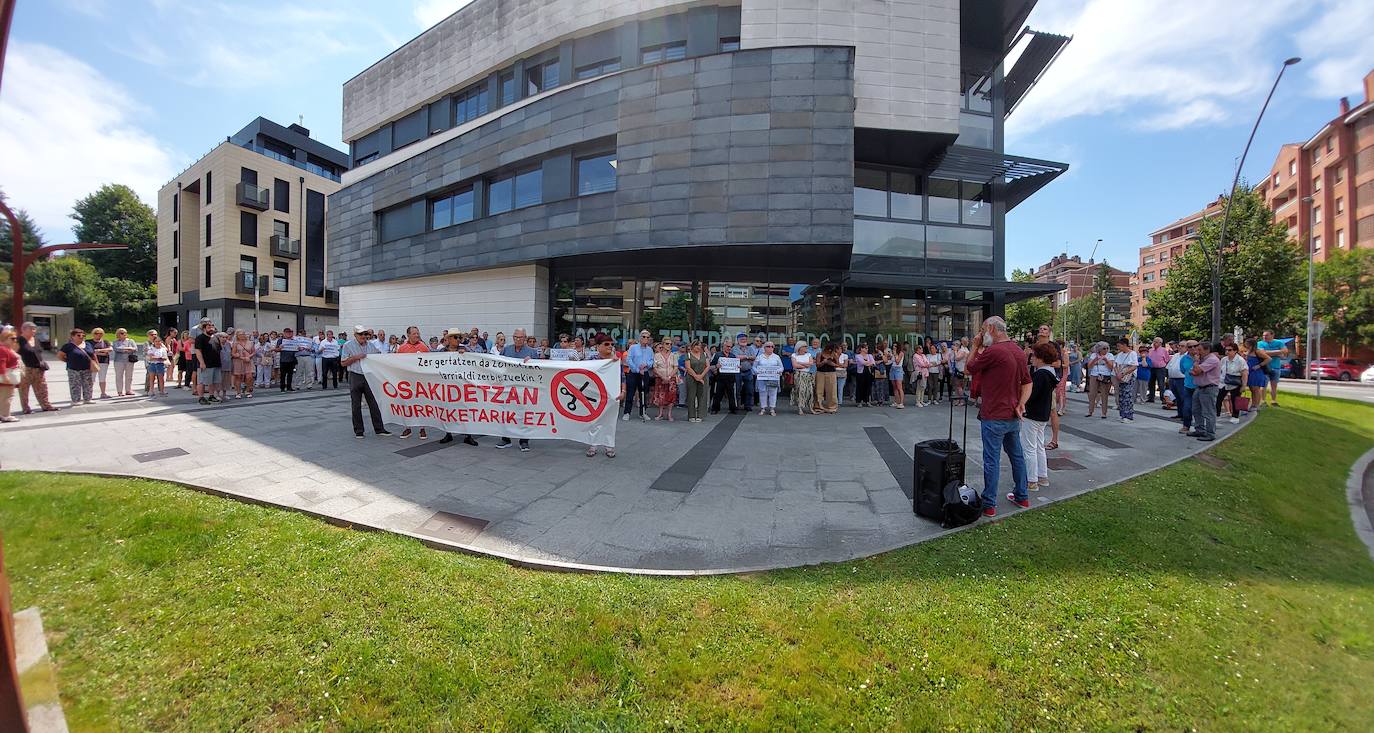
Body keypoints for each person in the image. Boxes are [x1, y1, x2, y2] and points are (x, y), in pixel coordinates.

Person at [965, 316, 1031, 517]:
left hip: (994, 414)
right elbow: (1027, 382)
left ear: (992, 329)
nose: (981, 333)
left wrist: (975, 346)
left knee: (991, 459)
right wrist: (1021, 404)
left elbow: (969, 368)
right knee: (1017, 456)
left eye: (983, 329)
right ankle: (1022, 495)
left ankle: (989, 503)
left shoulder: (993, 351)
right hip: (1012, 414)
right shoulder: (1018, 351)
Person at [341, 326, 391, 439]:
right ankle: (359, 431)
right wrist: (356, 357)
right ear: (355, 335)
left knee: (374, 403)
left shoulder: (371, 345)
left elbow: (379, 358)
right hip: (355, 375)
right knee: (356, 405)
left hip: (369, 376)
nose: (363, 336)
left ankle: (379, 429)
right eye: (361, 334)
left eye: (365, 334)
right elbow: (343, 363)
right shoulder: (348, 345)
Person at [1022, 342, 1059, 493]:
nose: (1032, 358)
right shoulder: (1049, 373)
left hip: (1032, 414)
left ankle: (1032, 480)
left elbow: (1030, 395)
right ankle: (1042, 476)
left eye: (1034, 356)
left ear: (1041, 358)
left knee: (1029, 448)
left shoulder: (1040, 375)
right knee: (1039, 447)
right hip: (1042, 415)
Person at [585, 334, 627, 458]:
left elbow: (622, 378)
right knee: (594, 420)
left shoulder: (615, 361)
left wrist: (623, 391)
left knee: (610, 420)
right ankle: (593, 444)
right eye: (606, 344)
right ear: (598, 346)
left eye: (612, 344)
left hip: (612, 395)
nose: (610, 346)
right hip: (595, 395)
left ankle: (609, 446)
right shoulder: (592, 361)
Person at [498, 328, 538, 451]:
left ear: (525, 338)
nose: (518, 339)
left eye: (520, 337)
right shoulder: (506, 349)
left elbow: (539, 369)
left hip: (524, 389)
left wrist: (530, 363)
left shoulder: (532, 352)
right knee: (506, 413)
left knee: (523, 414)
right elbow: (498, 365)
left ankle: (524, 440)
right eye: (515, 337)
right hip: (508, 388)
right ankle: (506, 439)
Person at [395, 326, 432, 440]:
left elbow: (429, 363)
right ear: (408, 335)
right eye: (414, 333)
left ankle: (422, 429)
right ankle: (408, 428)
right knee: (406, 405)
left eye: (418, 333)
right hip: (406, 382)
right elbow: (396, 363)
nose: (417, 335)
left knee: (421, 404)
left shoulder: (424, 347)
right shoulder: (402, 348)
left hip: (420, 382)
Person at [16, 322, 57, 414]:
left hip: (39, 368)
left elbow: (39, 352)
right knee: (24, 389)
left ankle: (46, 405)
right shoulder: (19, 340)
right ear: (23, 330)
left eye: (34, 329)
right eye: (31, 329)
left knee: (42, 387)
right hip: (25, 369)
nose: (34, 331)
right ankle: (26, 408)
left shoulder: (35, 339)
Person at [1189, 341, 1221, 441]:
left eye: (1200, 350)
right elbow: (1192, 372)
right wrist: (1196, 368)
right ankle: (1199, 429)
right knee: (1196, 410)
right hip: (1199, 387)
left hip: (1209, 388)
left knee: (1208, 412)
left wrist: (1195, 362)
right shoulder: (1202, 359)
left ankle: (1210, 433)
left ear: (1207, 350)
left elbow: (1197, 371)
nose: (1197, 352)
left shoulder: (1212, 360)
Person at [623, 330, 654, 422]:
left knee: (644, 393)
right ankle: (627, 413)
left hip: (644, 373)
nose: (646, 339)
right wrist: (637, 369)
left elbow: (652, 361)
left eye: (647, 337)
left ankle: (643, 412)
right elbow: (629, 360)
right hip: (634, 373)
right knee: (630, 393)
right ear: (640, 338)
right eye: (644, 337)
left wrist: (646, 365)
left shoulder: (650, 349)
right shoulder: (633, 347)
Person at [59, 328, 96, 405]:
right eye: (78, 335)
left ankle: (88, 398)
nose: (81, 337)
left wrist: (96, 363)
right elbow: (60, 356)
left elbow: (93, 354)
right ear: (73, 336)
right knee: (75, 384)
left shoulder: (88, 344)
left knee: (88, 384)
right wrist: (68, 361)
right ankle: (75, 400)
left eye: (83, 335)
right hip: (73, 368)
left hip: (87, 368)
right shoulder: (68, 346)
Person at [194, 322, 223, 405]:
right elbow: (198, 351)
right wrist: (202, 362)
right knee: (202, 381)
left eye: (212, 327)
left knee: (213, 381)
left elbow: (219, 350)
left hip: (216, 363)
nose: (211, 328)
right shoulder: (200, 338)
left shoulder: (216, 338)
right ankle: (201, 397)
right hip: (205, 364)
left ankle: (211, 396)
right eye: (209, 327)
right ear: (204, 329)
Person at [1256, 330, 1286, 407]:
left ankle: (1273, 401)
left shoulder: (1279, 342)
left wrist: (1268, 353)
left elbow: (1285, 351)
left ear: (1272, 335)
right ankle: (1263, 401)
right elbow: (1262, 353)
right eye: (1263, 335)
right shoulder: (1260, 343)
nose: (1264, 337)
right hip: (1265, 367)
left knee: (1274, 386)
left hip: (1276, 367)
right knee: (1263, 385)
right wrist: (1278, 352)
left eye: (1266, 335)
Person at [1219, 342, 1248, 424]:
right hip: (1224, 382)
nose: (1227, 352)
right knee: (1219, 398)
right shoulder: (1224, 359)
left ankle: (1235, 416)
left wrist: (1244, 385)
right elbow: (1221, 370)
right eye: (1226, 350)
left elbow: (1244, 373)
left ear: (1235, 351)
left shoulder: (1240, 360)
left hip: (1235, 382)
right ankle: (1217, 414)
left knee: (1235, 399)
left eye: (1230, 350)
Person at [651, 339, 679, 421]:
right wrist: (662, 377)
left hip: (671, 378)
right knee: (661, 395)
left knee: (671, 396)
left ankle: (669, 414)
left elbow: (676, 367)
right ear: (662, 344)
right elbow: (655, 368)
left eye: (671, 344)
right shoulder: (657, 355)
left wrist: (669, 377)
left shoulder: (673, 355)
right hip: (660, 378)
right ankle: (660, 413)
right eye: (667, 343)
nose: (669, 345)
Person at [709, 339, 739, 415]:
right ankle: (715, 408)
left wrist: (738, 367)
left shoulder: (733, 356)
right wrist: (716, 366)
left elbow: (735, 366)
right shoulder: (717, 355)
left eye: (730, 347)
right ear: (723, 346)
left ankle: (733, 409)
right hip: (720, 378)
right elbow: (710, 366)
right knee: (717, 394)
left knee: (731, 394)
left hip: (730, 378)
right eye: (728, 346)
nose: (729, 348)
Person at [1084, 342, 1113, 419]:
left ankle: (1104, 413)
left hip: (1105, 376)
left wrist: (1106, 360)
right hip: (1094, 375)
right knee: (1092, 393)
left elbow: (1111, 367)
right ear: (1099, 349)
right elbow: (1089, 366)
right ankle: (1090, 411)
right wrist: (1095, 360)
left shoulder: (1110, 355)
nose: (1106, 350)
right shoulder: (1093, 355)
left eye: (1107, 348)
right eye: (1104, 348)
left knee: (1104, 394)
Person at [754, 340, 782, 416]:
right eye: (768, 346)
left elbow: (781, 367)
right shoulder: (759, 357)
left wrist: (778, 371)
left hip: (773, 378)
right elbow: (754, 367)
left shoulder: (777, 357)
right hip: (762, 379)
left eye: (772, 346)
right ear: (764, 347)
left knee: (773, 393)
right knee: (763, 393)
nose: (770, 348)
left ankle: (772, 409)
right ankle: (763, 408)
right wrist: (757, 372)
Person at [683, 340, 709, 423]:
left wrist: (701, 376)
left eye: (699, 345)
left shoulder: (704, 354)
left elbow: (707, 366)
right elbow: (688, 367)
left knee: (702, 396)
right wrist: (696, 376)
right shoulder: (688, 355)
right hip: (691, 377)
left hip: (703, 377)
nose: (698, 347)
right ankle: (691, 415)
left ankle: (700, 415)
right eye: (696, 345)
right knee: (691, 396)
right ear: (692, 346)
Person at [1244, 337, 1270, 417]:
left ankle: (1256, 405)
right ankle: (1253, 404)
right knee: (1252, 389)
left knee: (1256, 389)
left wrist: (1259, 365)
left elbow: (1268, 358)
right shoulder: (1247, 352)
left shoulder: (1257, 351)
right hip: (1250, 372)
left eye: (1247, 343)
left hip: (1256, 372)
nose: (1245, 344)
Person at [1112, 338, 1137, 423]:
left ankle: (1129, 416)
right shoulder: (1120, 354)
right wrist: (1117, 373)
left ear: (1125, 345)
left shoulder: (1132, 354)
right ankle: (1122, 414)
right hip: (1120, 376)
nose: (1118, 348)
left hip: (1128, 377)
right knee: (1121, 396)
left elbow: (1134, 366)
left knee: (1127, 396)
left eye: (1120, 346)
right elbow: (1115, 365)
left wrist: (1123, 373)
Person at [792, 340, 819, 415]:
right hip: (798, 375)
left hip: (807, 375)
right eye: (805, 346)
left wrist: (800, 363)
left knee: (810, 391)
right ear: (800, 347)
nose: (806, 348)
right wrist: (805, 365)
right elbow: (795, 365)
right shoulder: (794, 355)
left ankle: (811, 407)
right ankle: (800, 408)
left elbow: (811, 364)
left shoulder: (808, 354)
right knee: (801, 391)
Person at [110, 328, 138, 397]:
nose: (124, 334)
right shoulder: (115, 342)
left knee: (129, 376)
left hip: (129, 360)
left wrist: (124, 349)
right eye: (122, 333)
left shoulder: (131, 341)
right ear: (118, 334)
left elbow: (135, 349)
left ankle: (128, 390)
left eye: (125, 333)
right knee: (119, 376)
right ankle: (120, 391)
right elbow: (116, 349)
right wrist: (128, 349)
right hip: (119, 361)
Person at [87, 327, 114, 398]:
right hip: (93, 362)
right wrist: (102, 352)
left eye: (100, 333)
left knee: (102, 378)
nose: (98, 335)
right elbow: (89, 352)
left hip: (103, 362)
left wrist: (97, 351)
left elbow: (110, 349)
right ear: (93, 334)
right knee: (91, 378)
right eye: (96, 333)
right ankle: (89, 394)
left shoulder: (105, 342)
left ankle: (103, 393)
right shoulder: (88, 342)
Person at [0, 326, 20, 422]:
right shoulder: (3, 349)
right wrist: (5, 376)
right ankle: (5, 415)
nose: (15, 340)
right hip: (7, 377)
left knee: (5, 396)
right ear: (4, 339)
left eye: (15, 338)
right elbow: (1, 364)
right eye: (12, 338)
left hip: (7, 377)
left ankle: (3, 414)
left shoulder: (7, 348)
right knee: (7, 397)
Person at [230, 329, 256, 398]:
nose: (243, 335)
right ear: (237, 336)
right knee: (238, 377)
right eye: (241, 334)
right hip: (238, 361)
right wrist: (241, 357)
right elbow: (233, 353)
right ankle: (238, 392)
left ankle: (248, 391)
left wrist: (249, 357)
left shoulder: (250, 342)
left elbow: (253, 352)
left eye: (243, 334)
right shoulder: (235, 343)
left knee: (249, 377)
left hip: (248, 361)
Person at [736, 334, 758, 411]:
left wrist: (744, 357)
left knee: (749, 389)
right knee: (737, 389)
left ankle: (748, 405)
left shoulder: (750, 348)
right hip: (737, 372)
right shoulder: (734, 348)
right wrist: (748, 357)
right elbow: (736, 357)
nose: (744, 340)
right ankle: (737, 406)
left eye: (745, 339)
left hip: (748, 371)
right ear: (738, 340)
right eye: (742, 339)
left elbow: (754, 357)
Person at [144, 331, 169, 396]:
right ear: (154, 342)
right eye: (156, 341)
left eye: (159, 341)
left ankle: (161, 390)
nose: (158, 343)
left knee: (161, 379)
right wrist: (158, 358)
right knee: (151, 378)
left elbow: (165, 357)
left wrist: (157, 358)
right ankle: (150, 390)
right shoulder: (151, 348)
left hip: (160, 365)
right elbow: (150, 357)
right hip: (152, 364)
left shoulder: (162, 349)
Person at [1146, 337, 1168, 403]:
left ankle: (1163, 398)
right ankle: (1151, 397)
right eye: (1154, 341)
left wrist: (1163, 365)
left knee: (1161, 384)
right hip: (1152, 368)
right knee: (1151, 383)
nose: (1154, 343)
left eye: (1156, 342)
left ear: (1160, 343)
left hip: (1160, 369)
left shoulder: (1164, 350)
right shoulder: (1150, 350)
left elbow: (1167, 359)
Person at [889, 342, 907, 408]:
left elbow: (897, 362)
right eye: (893, 346)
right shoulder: (892, 353)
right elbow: (890, 361)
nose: (894, 347)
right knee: (894, 387)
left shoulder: (901, 353)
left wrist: (894, 355)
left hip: (898, 369)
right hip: (892, 369)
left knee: (899, 387)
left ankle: (901, 403)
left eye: (896, 346)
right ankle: (896, 401)